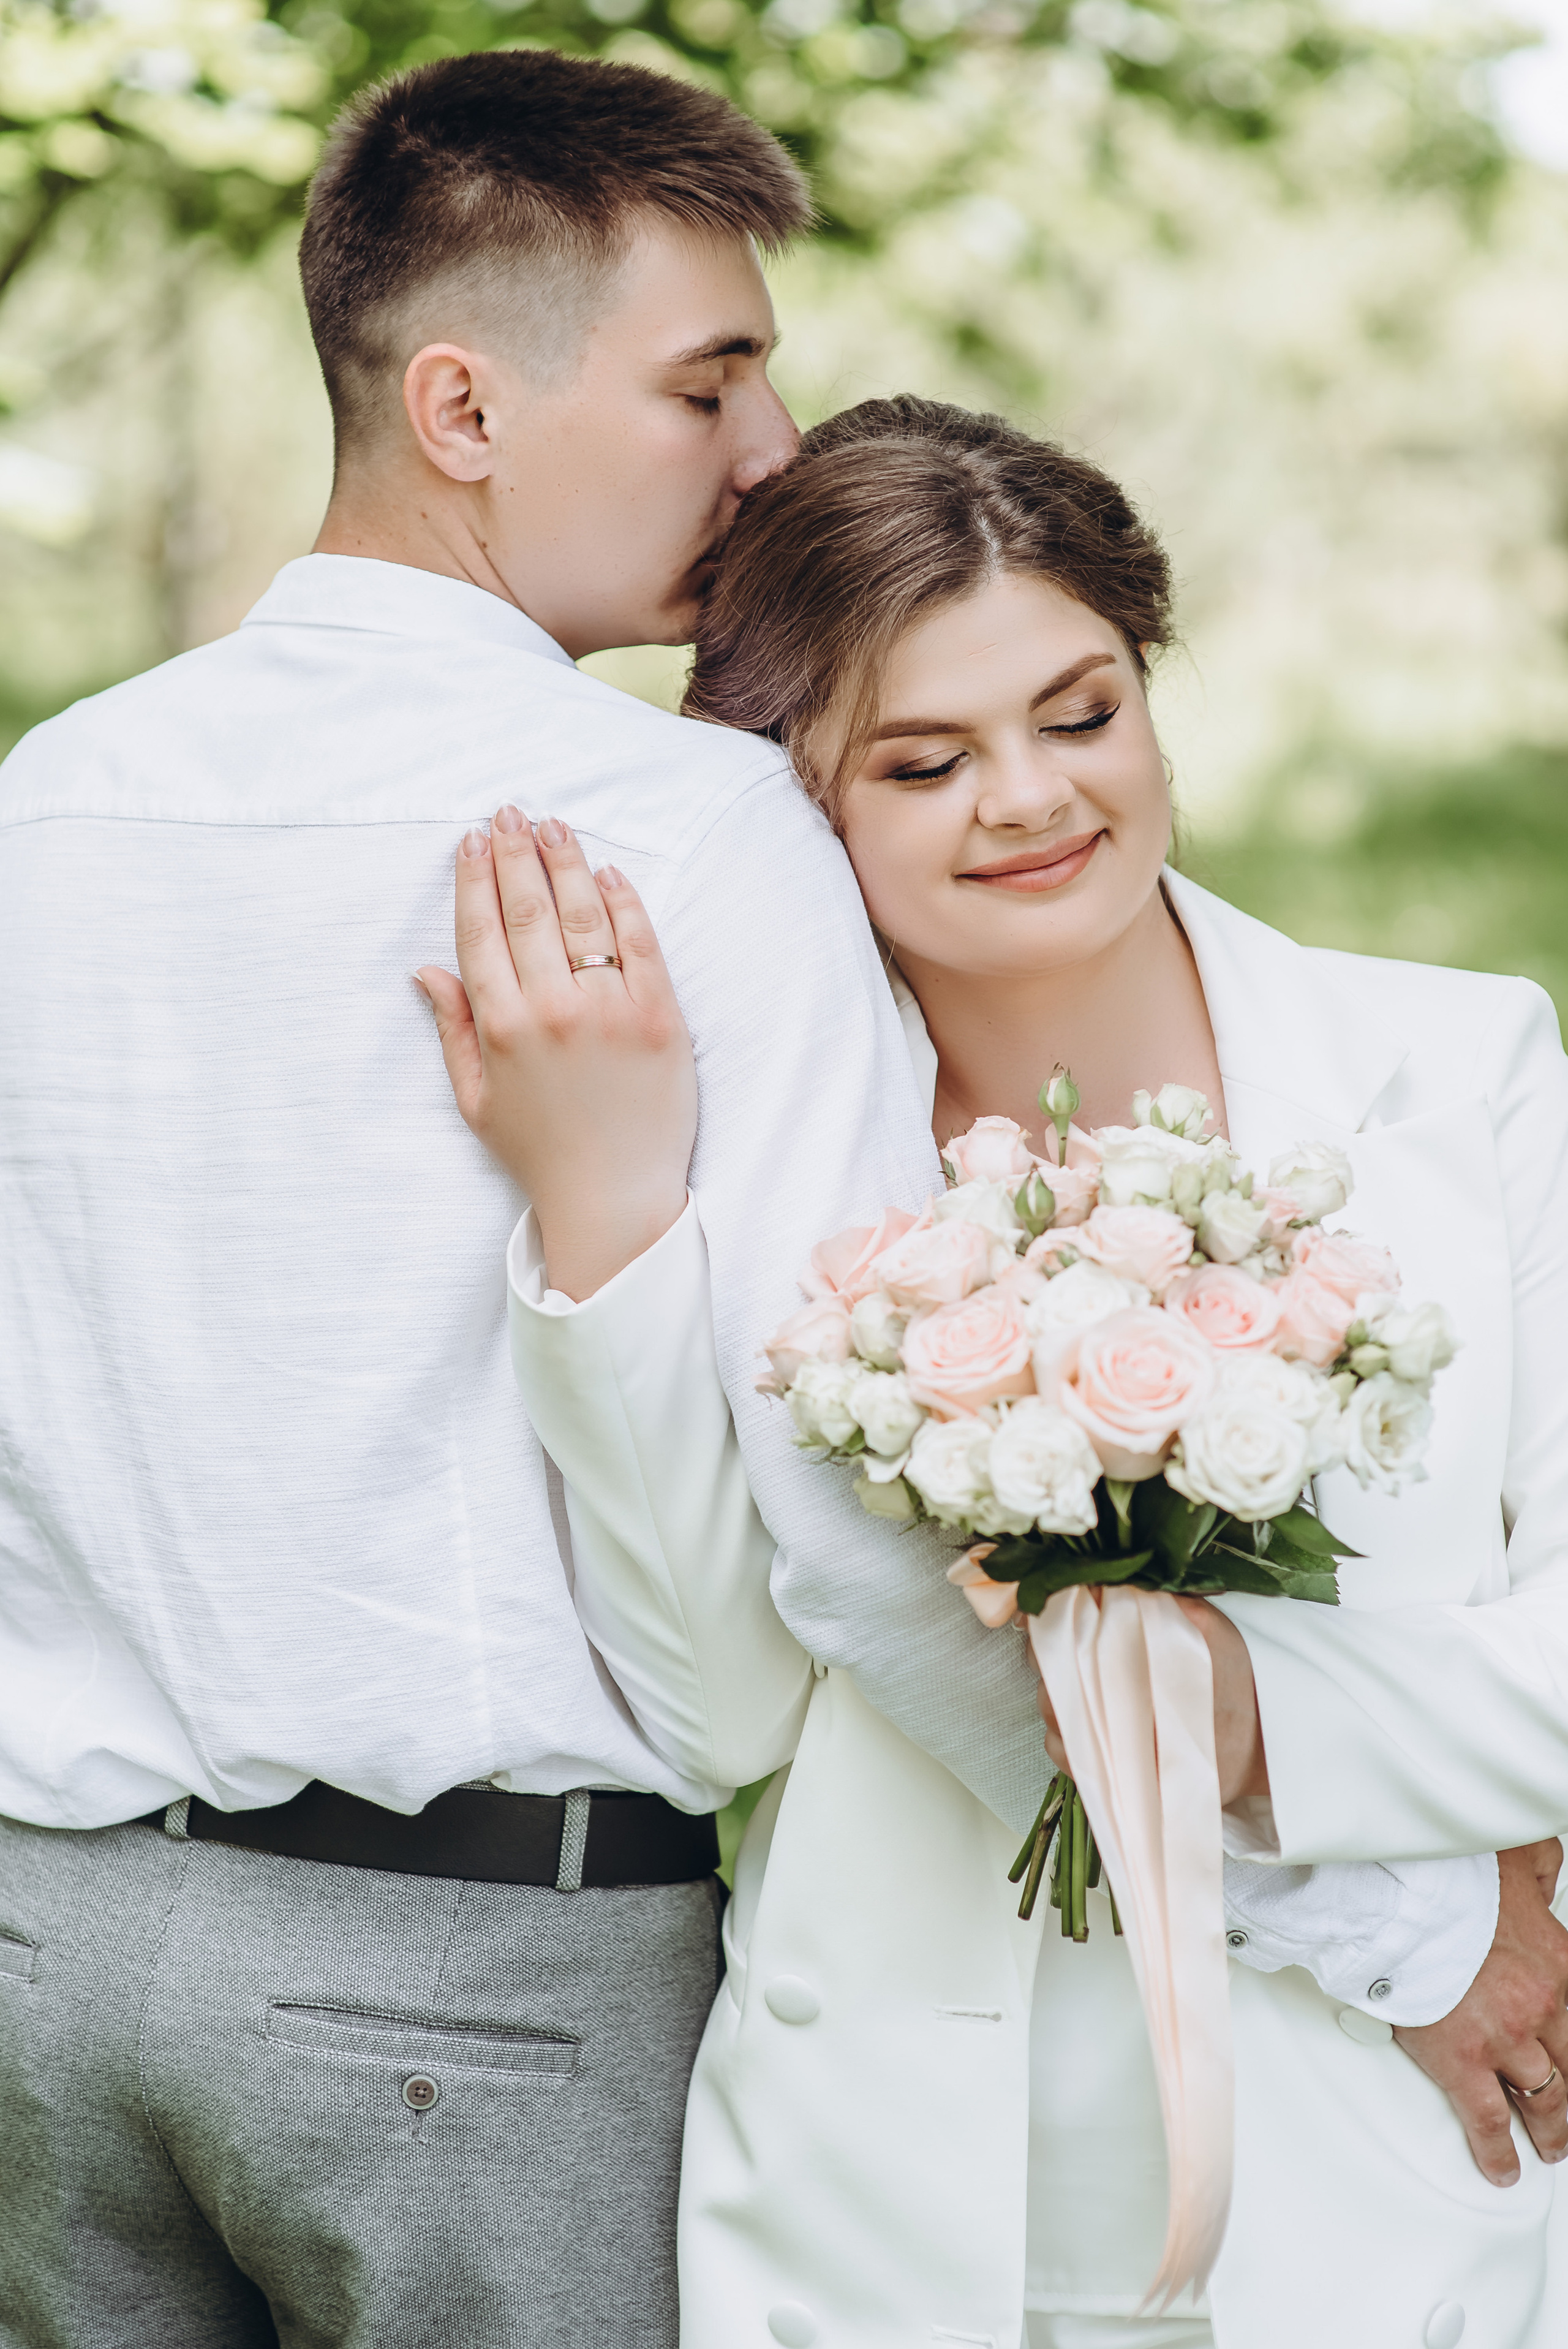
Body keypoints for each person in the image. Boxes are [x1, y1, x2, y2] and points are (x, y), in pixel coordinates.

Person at [420, 398, 1568, 2348]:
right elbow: (716, 1706)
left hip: (1382, 2172)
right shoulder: (755, 1162)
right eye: (926, 758)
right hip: (893, 2196)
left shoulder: (1463, 1076)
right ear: (798, 793)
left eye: (1083, 710)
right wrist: (610, 1218)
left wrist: (1230, 1713)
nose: (1030, 797)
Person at [0, 51, 944, 2349]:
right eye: (709, 378)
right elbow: (854, 1493)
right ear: (461, 404)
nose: (774, 451)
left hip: (45, 1968)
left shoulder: (50, 800)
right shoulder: (690, 832)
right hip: (491, 1997)